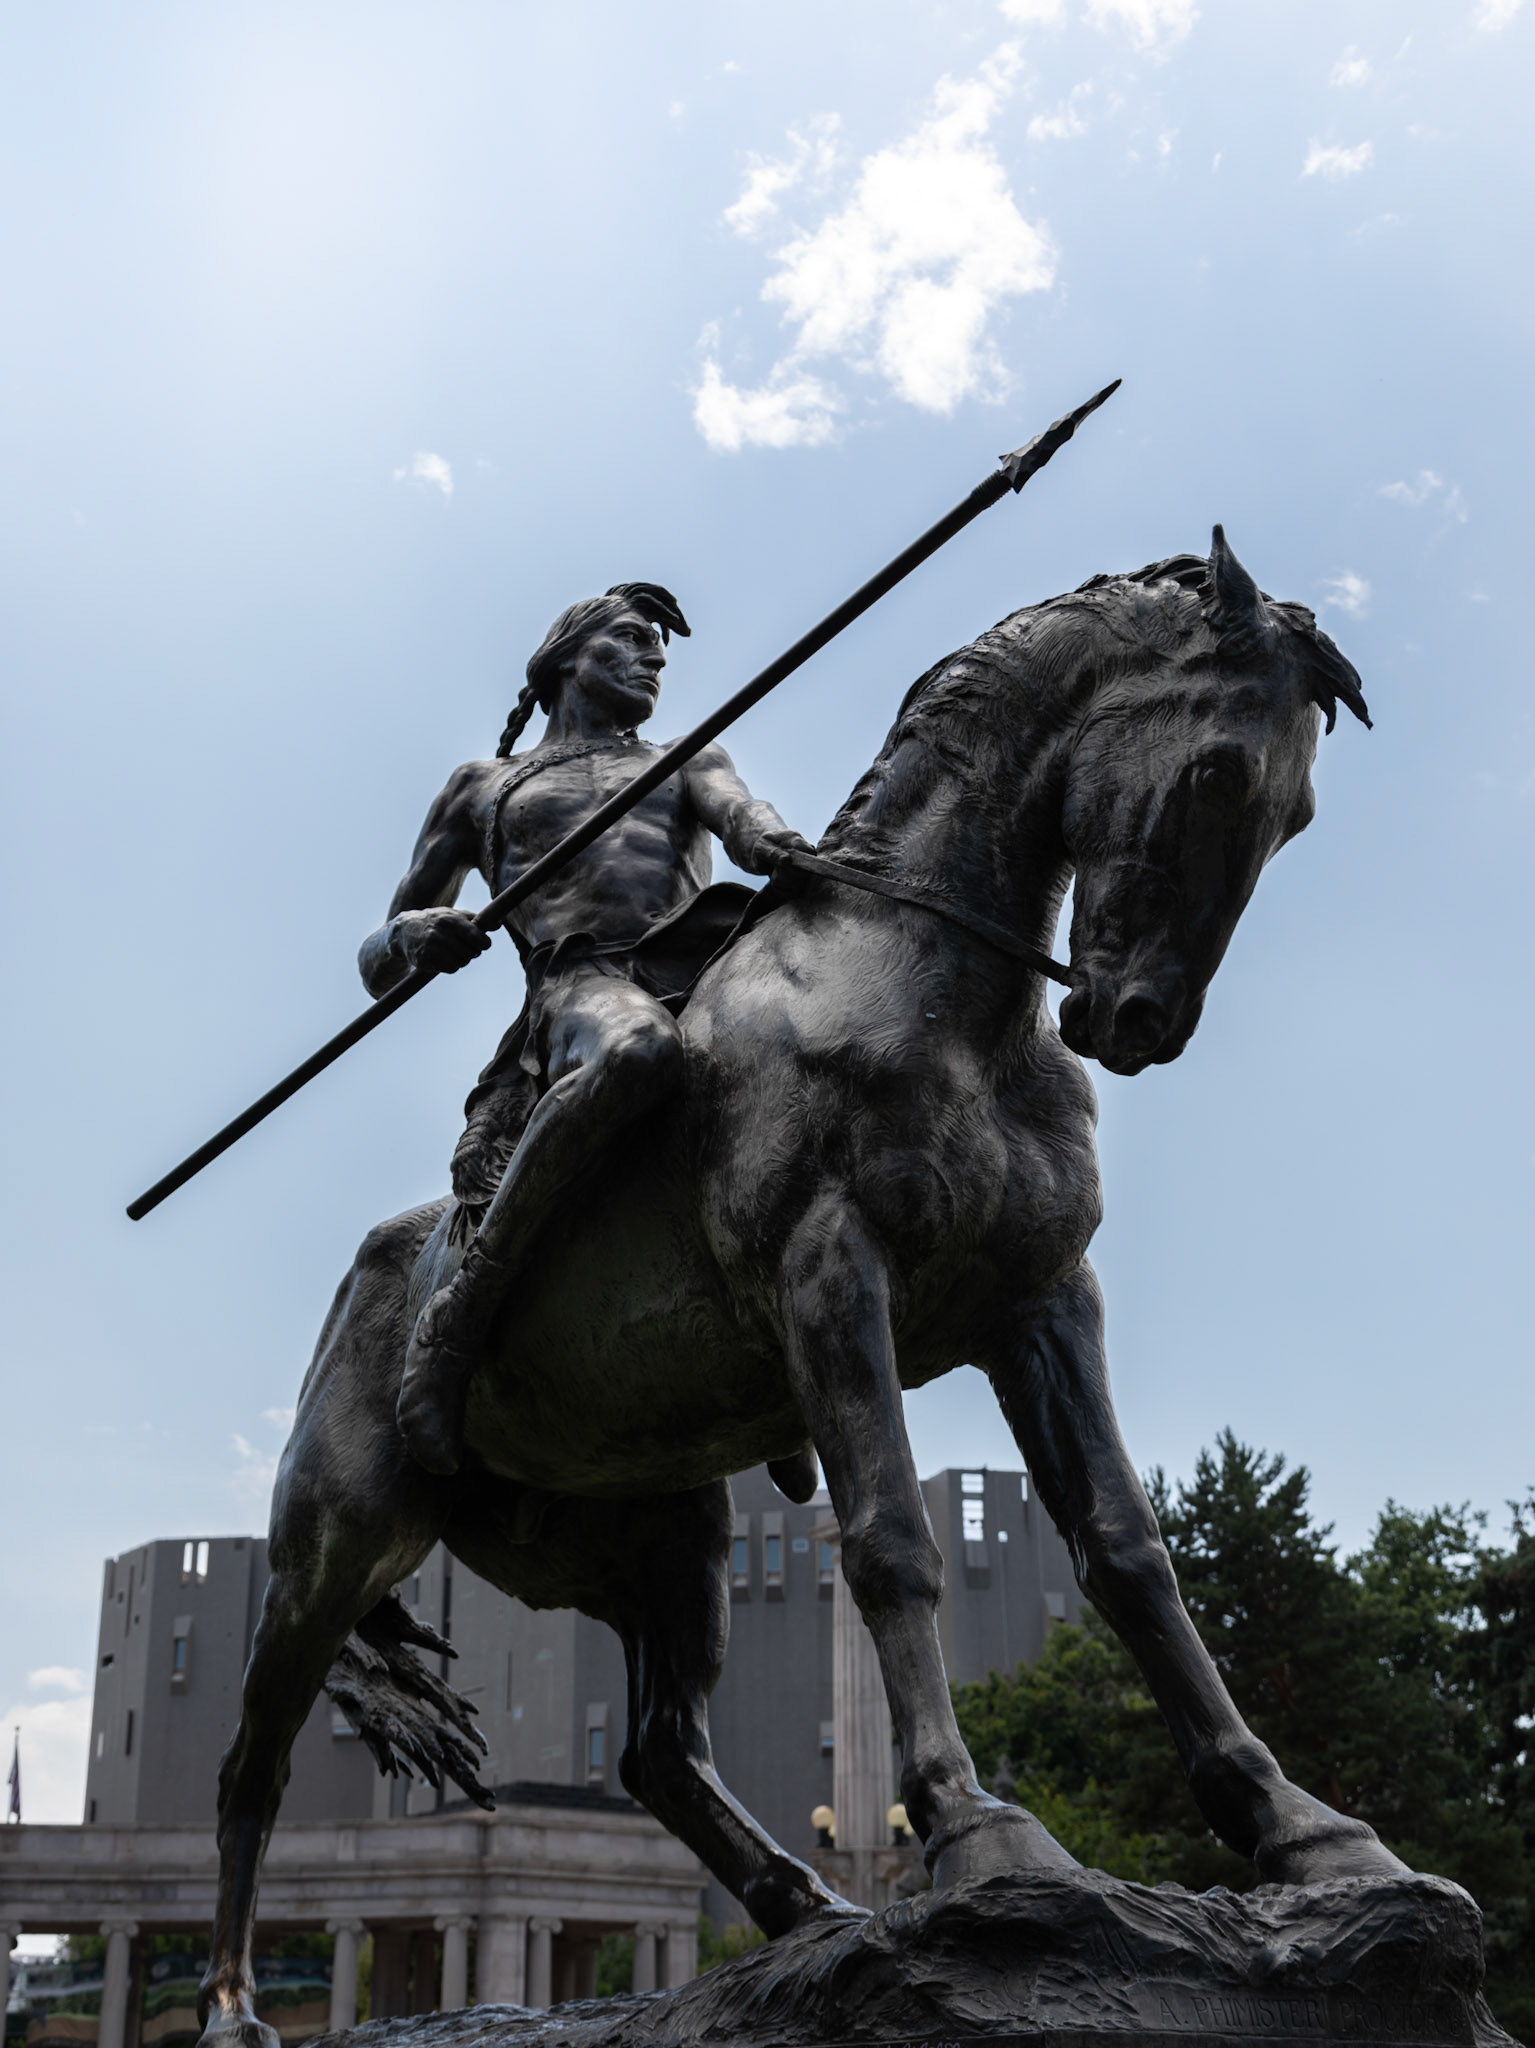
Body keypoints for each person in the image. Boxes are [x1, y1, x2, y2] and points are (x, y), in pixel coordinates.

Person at [359, 582, 813, 1473]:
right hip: (582, 987)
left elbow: (741, 814)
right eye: (636, 640)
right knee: (640, 1047)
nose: (656, 659)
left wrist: (776, 844)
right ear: (569, 655)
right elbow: (379, 961)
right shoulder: (482, 788)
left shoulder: (686, 755)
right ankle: (461, 1316)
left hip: (710, 964)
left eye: (659, 649)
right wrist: (417, 933)